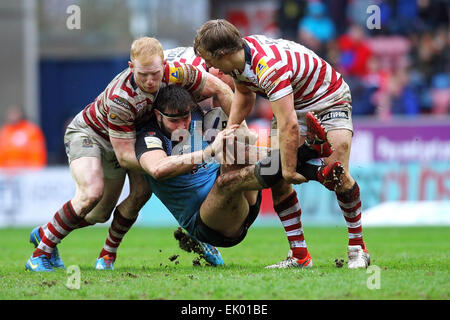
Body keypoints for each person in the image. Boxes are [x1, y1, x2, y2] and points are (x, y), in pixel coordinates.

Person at [25, 36, 234, 272]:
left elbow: (221, 89)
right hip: (91, 135)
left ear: (164, 65)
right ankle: (39, 254)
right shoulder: (121, 99)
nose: (150, 80)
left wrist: (239, 129)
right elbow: (125, 158)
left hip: (130, 137)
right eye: (142, 74)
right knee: (91, 194)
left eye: (155, 73)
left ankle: (98, 253)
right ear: (130, 66)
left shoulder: (177, 73)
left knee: (118, 205)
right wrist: (169, 165)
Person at [194, 19, 370, 269]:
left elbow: (289, 125)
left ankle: (357, 249)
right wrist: (232, 127)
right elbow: (245, 94)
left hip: (328, 100)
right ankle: (300, 256)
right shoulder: (238, 59)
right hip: (291, 103)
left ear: (221, 53)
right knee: (278, 181)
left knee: (338, 174)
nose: (206, 64)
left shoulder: (267, 67)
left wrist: (288, 167)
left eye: (208, 58)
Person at [135, 85, 342, 261]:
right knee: (226, 180)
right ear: (157, 116)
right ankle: (309, 157)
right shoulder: (148, 138)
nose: (182, 125)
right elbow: (158, 169)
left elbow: (220, 85)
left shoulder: (197, 119)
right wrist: (208, 151)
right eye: (174, 121)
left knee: (234, 145)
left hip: (245, 201)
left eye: (185, 118)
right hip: (211, 225)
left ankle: (315, 169)